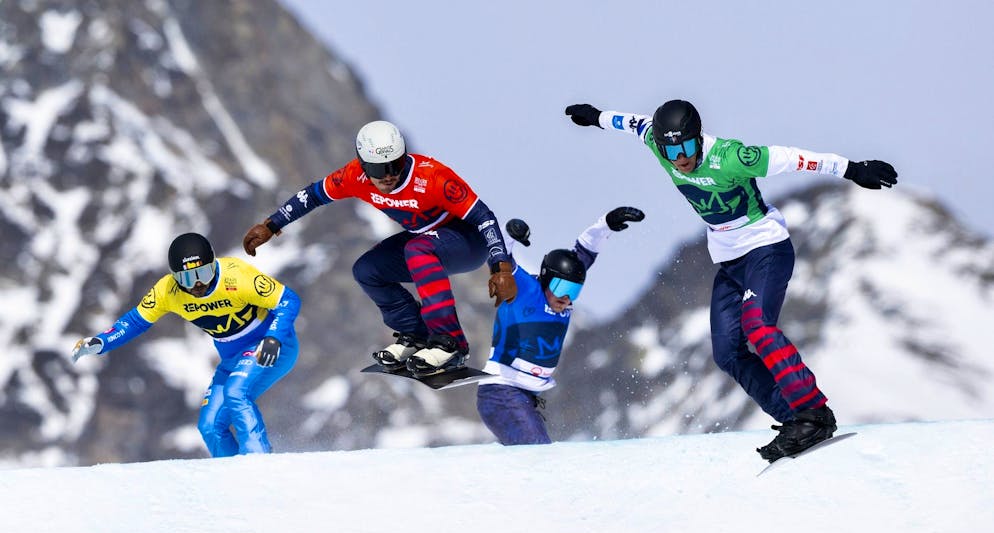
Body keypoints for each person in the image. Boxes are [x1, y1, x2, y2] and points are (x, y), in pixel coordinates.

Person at [564, 100, 898, 461]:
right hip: (729, 261)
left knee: (759, 327)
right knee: (727, 353)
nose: (681, 158)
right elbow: (632, 122)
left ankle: (813, 412)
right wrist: (596, 118)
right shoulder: (656, 141)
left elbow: (792, 157)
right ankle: (793, 420)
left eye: (688, 147)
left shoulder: (732, 156)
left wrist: (852, 169)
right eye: (672, 150)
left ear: (698, 138)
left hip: (766, 247)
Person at [242, 120, 514, 375]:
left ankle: (450, 343)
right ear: (362, 165)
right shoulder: (353, 176)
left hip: (466, 242)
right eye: (377, 169)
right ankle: (416, 335)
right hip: (426, 240)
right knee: (367, 269)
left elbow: (484, 217)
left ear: (405, 157)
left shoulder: (432, 177)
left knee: (417, 249)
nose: (388, 177)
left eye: (395, 165)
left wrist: (499, 266)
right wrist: (271, 224)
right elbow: (312, 195)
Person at [71, 232, 301, 457]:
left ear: (214, 264)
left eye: (204, 272)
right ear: (175, 277)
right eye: (188, 278)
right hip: (234, 358)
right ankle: (235, 477)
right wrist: (102, 341)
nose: (198, 284)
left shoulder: (237, 276)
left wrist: (274, 338)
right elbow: (135, 321)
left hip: (271, 346)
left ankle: (259, 461)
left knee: (236, 392)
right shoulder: (168, 290)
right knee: (210, 426)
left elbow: (288, 300)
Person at [477, 207, 645, 445]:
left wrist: (606, 224)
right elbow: (498, 256)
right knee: (539, 455)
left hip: (525, 394)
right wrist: (508, 233)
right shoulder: (525, 289)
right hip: (501, 391)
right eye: (561, 289)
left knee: (531, 461)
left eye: (574, 291)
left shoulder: (562, 302)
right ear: (546, 278)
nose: (566, 298)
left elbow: (585, 252)